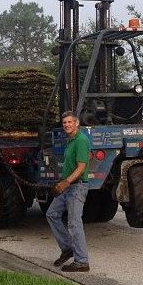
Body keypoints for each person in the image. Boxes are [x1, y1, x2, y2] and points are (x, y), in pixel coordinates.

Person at [46, 110, 90, 272]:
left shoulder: (81, 140)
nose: (67, 125)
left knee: (74, 223)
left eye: (70, 122)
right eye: (64, 123)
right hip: (68, 187)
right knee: (52, 214)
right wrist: (63, 182)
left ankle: (82, 261)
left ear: (77, 123)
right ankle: (67, 248)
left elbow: (81, 167)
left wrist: (66, 182)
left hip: (76, 187)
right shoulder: (70, 140)